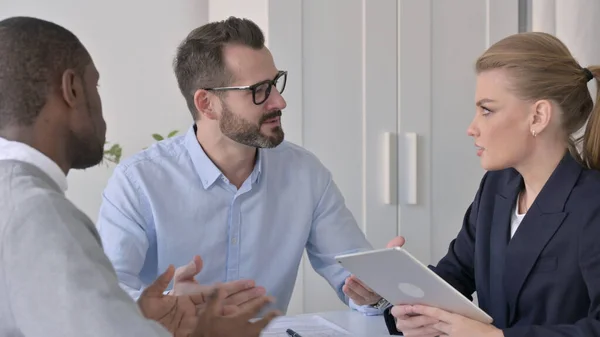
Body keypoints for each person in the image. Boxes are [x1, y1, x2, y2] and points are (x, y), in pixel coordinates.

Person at [0, 16, 278, 337]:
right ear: (72, 89)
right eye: (96, 85)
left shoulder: (16, 201)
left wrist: (136, 314)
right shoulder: (38, 214)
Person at [96, 16, 391, 315]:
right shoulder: (139, 182)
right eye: (259, 90)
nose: (279, 101)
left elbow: (355, 280)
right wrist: (169, 305)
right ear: (206, 104)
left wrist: (375, 292)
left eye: (275, 83)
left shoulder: (306, 175)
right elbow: (105, 295)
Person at [384, 31, 600, 337]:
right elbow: (453, 277)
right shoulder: (496, 188)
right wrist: (397, 292)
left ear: (538, 116)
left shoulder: (592, 204)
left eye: (487, 110)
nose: (472, 128)